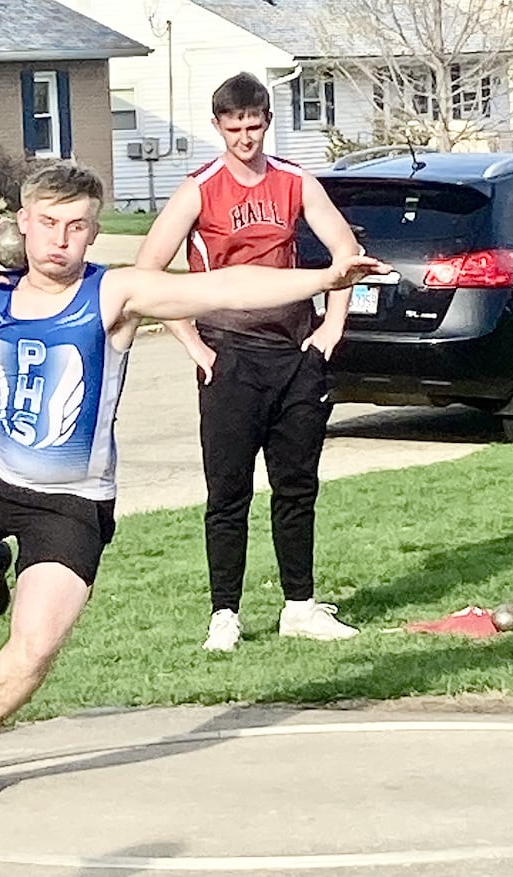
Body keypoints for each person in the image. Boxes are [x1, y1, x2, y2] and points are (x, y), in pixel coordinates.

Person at [0, 161, 387, 809]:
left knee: (36, 645)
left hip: (71, 503)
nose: (61, 240)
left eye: (77, 226)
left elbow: (224, 286)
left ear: (94, 232)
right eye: (47, 223)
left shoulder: (114, 294)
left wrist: (325, 278)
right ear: (21, 224)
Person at [136, 72, 362, 651]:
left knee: (297, 486)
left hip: (295, 354)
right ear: (218, 126)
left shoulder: (294, 181)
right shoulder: (199, 189)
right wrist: (195, 345)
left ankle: (300, 606)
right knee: (228, 493)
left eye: (254, 126)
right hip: (229, 357)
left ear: (267, 122)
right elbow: (146, 275)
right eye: (234, 128)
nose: (245, 138)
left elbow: (347, 253)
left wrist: (331, 327)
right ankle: (225, 615)